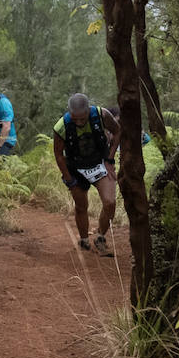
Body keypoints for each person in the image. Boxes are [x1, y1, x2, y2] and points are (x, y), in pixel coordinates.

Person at [52, 93, 120, 256]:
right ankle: (84, 240)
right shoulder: (61, 126)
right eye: (75, 119)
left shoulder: (101, 114)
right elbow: (58, 154)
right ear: (70, 113)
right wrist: (69, 179)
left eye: (82, 118)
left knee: (110, 203)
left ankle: (100, 237)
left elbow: (118, 132)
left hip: (99, 163)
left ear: (88, 110)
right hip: (76, 168)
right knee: (81, 206)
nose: (79, 122)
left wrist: (110, 159)